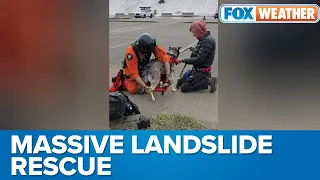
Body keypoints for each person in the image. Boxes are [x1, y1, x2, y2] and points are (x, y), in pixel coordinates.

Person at [175, 20, 218, 93]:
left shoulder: (208, 41)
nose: (193, 35)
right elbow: (202, 52)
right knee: (179, 82)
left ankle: (209, 80)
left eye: (194, 32)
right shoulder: (203, 38)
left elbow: (199, 59)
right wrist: (194, 50)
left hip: (202, 71)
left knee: (184, 88)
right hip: (197, 68)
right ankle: (199, 78)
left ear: (199, 31)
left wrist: (182, 60)